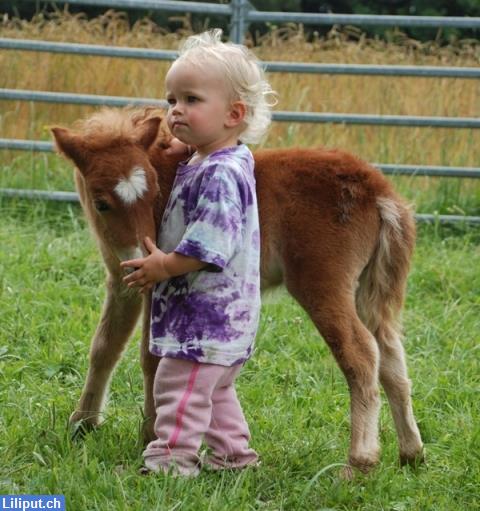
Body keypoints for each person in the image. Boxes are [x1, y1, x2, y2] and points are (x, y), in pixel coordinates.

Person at [120, 29, 277, 476]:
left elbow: (211, 244)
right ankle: (235, 458)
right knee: (215, 393)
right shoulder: (223, 157)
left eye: (191, 100)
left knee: (178, 387)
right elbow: (204, 152)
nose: (175, 110)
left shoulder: (220, 174)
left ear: (233, 113)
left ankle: (169, 462)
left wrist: (162, 265)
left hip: (204, 317)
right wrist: (186, 144)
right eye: (171, 99)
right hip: (222, 322)